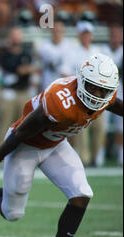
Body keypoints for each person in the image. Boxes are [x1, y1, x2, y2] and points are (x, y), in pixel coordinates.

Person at [0, 53, 122, 237]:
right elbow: (20, 133)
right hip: (25, 146)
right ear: (81, 80)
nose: (98, 95)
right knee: (12, 214)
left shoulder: (107, 95)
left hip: (56, 144)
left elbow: (114, 103)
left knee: (81, 193)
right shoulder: (61, 100)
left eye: (103, 90)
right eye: (93, 87)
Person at [60, 20, 103, 166]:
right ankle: (84, 159)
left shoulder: (98, 51)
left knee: (99, 128)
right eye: (83, 34)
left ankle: (96, 157)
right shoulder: (71, 52)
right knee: (81, 130)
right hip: (80, 97)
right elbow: (65, 74)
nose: (86, 36)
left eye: (88, 34)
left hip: (99, 97)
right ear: (79, 35)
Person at [0, 26, 39, 147]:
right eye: (13, 35)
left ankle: (24, 152)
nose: (16, 38)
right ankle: (0, 153)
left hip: (24, 92)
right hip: (9, 92)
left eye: (18, 35)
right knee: (4, 124)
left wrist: (27, 70)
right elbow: (18, 70)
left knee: (25, 124)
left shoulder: (27, 53)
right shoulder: (5, 55)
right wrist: (26, 70)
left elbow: (33, 70)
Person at [101, 25, 123, 166]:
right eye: (113, 35)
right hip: (103, 90)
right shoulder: (103, 51)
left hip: (120, 88)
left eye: (117, 35)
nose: (115, 38)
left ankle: (121, 153)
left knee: (120, 125)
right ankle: (100, 154)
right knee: (102, 122)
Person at [37, 19, 72, 90]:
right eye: (55, 30)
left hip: (63, 87)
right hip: (46, 85)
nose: (57, 33)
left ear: (63, 31)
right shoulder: (44, 46)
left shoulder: (69, 46)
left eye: (59, 31)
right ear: (51, 31)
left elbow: (68, 69)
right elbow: (38, 65)